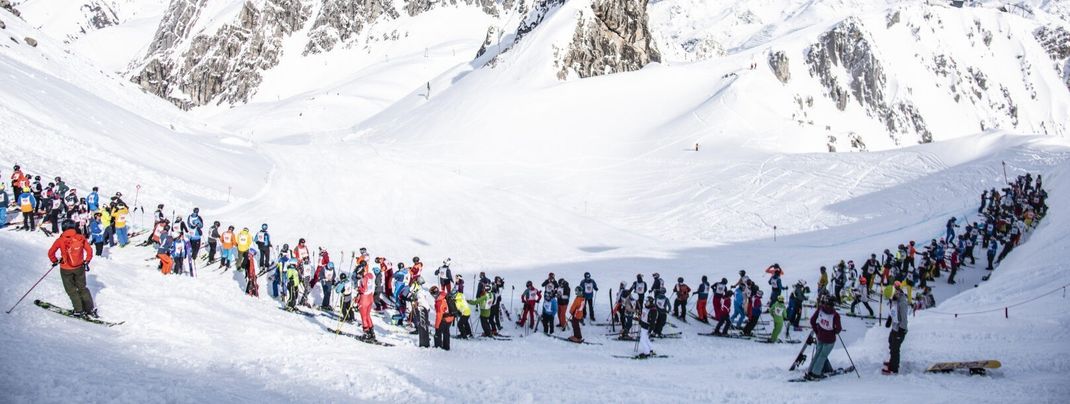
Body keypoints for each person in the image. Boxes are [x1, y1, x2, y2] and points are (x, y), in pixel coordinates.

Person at [47, 220, 96, 317]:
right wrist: (87, 260)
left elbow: (50, 253)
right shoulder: (80, 238)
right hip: (79, 267)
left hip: (66, 268)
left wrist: (55, 261)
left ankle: (79, 310)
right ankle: (90, 309)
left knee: (71, 290)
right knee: (82, 288)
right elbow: (89, 250)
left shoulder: (60, 240)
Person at [806, 295, 843, 380]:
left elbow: (812, 321)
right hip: (829, 339)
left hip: (820, 335)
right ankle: (816, 373)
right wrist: (834, 331)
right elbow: (838, 329)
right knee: (823, 355)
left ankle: (810, 371)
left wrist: (817, 331)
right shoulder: (835, 315)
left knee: (818, 353)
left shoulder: (820, 309)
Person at [883, 283, 909, 375]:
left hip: (900, 329)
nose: (891, 299)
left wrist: (902, 330)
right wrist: (889, 319)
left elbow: (904, 319)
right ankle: (892, 361)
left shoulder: (902, 303)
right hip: (894, 327)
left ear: (896, 293)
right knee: (891, 342)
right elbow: (892, 310)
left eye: (891, 297)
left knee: (895, 349)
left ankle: (894, 368)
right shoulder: (894, 299)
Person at [357, 264, 376, 339]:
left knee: (363, 317)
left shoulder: (363, 279)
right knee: (368, 315)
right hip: (370, 297)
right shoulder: (369, 275)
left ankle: (366, 333)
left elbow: (363, 289)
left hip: (364, 299)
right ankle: (372, 332)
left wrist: (359, 289)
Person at [431, 286, 452, 350]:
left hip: (444, 318)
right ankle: (446, 347)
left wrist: (436, 326)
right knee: (446, 332)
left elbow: (439, 315)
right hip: (450, 317)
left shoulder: (439, 302)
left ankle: (438, 347)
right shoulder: (444, 296)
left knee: (438, 332)